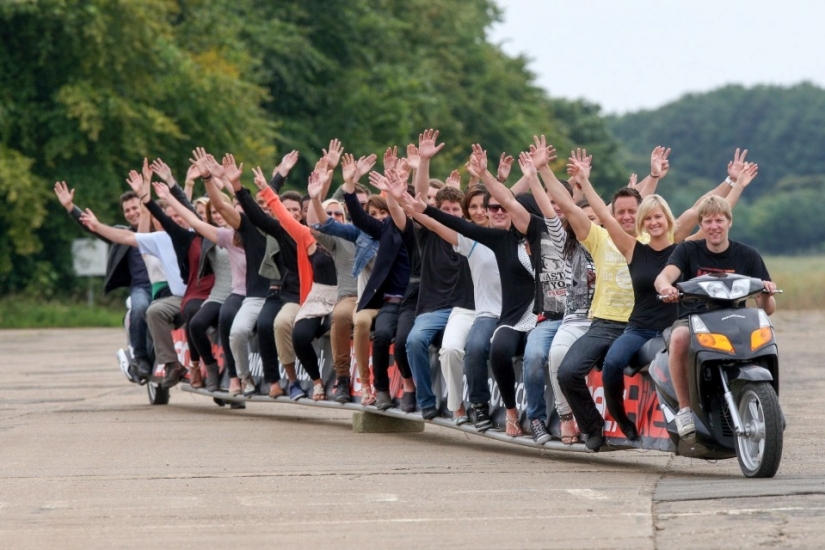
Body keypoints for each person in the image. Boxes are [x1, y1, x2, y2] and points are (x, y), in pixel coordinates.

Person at [655, 192, 776, 440]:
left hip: (736, 320)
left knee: (765, 336)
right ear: (701, 224)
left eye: (719, 220)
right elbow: (663, 277)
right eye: (708, 221)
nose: (714, 227)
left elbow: (768, 308)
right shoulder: (687, 250)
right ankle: (685, 410)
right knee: (679, 338)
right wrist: (666, 287)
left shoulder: (748, 255)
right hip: (694, 319)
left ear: (729, 222)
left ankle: (770, 405)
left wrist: (766, 292)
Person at [54, 181, 154, 380]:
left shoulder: (162, 229)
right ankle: (140, 358)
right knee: (140, 307)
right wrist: (70, 207)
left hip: (167, 286)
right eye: (127, 210)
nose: (132, 213)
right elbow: (94, 228)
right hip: (142, 288)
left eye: (135, 208)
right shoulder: (122, 235)